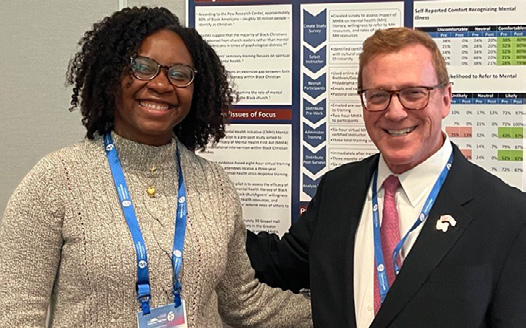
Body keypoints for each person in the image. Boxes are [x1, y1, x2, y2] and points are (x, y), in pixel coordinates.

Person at [0, 7, 311, 328]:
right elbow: (16, 315)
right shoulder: (56, 179)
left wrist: (345, 305)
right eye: (142, 67)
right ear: (110, 74)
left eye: (179, 74)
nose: (162, 84)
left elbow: (244, 301)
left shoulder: (214, 184)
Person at [247, 27, 526, 328]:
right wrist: (200, 201)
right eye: (378, 95)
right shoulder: (338, 190)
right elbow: (279, 265)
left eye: (413, 94)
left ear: (445, 99)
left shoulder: (508, 215)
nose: (395, 112)